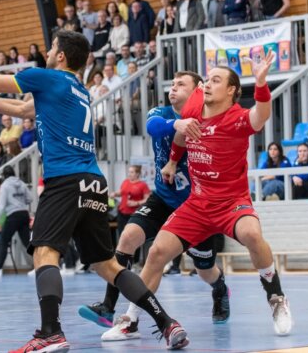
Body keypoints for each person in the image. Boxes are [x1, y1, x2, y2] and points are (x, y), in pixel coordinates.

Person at [0, 29, 187, 350]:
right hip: (94, 183)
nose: (47, 51)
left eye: (51, 47)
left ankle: (50, 333)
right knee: (108, 266)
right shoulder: (77, 91)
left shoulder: (47, 78)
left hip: (65, 180)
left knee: (45, 253)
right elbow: (18, 110)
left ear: (60, 56)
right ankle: (167, 323)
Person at [147, 52, 292, 340]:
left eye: (215, 80)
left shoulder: (238, 118)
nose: (207, 85)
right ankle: (130, 316)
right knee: (156, 252)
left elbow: (261, 114)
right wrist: (174, 161)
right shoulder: (193, 109)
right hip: (198, 204)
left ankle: (276, 297)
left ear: (232, 91)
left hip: (231, 203)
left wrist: (261, 83)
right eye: (206, 80)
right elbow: (180, 137)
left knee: (251, 233)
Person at [79, 72, 232, 342]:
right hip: (162, 197)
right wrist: (178, 124)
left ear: (197, 88)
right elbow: (153, 128)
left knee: (205, 269)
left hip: (195, 206)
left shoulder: (207, 119)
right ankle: (110, 308)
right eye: (171, 84)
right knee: (129, 238)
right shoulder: (160, 112)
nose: (172, 88)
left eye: (180, 85)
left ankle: (219, 287)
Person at [0, 166, 32, 277]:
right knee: (27, 243)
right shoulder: (22, 183)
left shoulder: (5, 185)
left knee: (4, 240)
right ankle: (40, 266)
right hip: (24, 214)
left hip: (13, 215)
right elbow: (30, 199)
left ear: (4, 175)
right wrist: (20, 202)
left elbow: (1, 205)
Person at [112, 165, 150, 237]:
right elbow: (121, 192)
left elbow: (147, 199)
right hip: (122, 213)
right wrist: (115, 194)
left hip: (134, 215)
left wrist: (136, 203)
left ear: (137, 174)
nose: (129, 174)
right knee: (122, 235)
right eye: (129, 172)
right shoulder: (125, 182)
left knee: (133, 236)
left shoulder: (143, 185)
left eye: (132, 172)